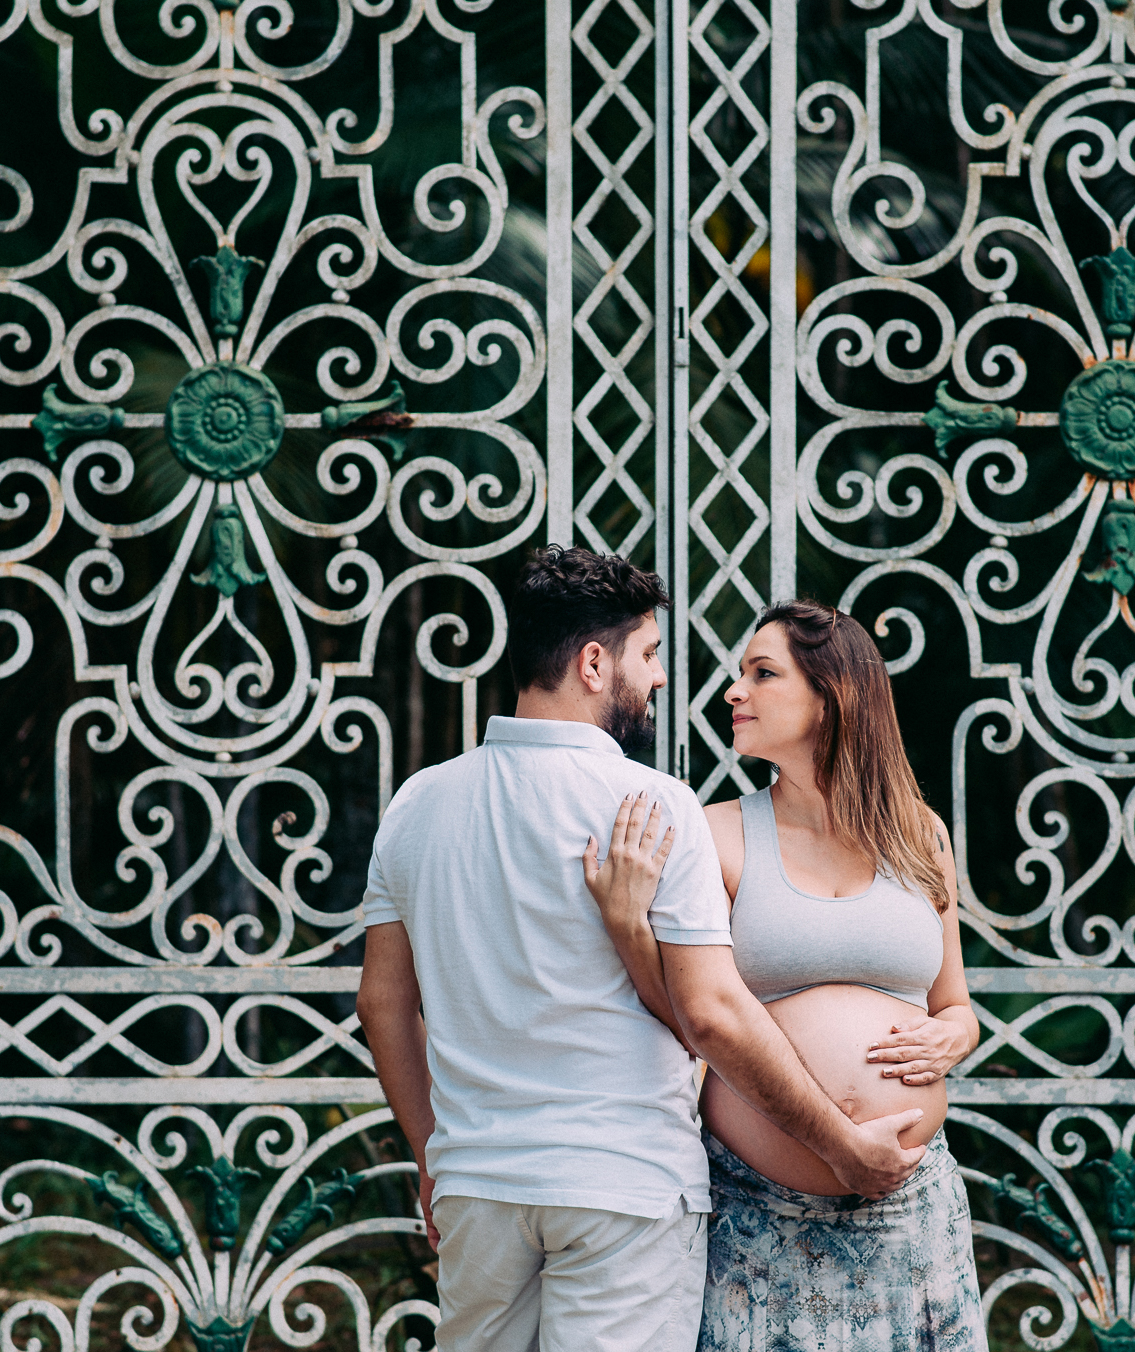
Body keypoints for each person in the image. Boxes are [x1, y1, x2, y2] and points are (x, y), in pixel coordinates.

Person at [355, 549, 928, 1352]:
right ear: (594, 663)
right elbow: (713, 1013)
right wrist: (843, 1145)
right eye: (649, 654)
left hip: (478, 1184)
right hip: (622, 1186)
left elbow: (381, 1003)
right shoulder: (653, 804)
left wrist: (431, 1153)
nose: (659, 677)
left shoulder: (418, 803)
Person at [587, 599, 988, 1350]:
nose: (733, 691)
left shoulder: (922, 834)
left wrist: (954, 1037)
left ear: (832, 696)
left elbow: (956, 1004)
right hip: (759, 1217)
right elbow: (691, 1018)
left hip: (910, 1211)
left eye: (762, 673)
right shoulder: (714, 833)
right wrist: (628, 928)